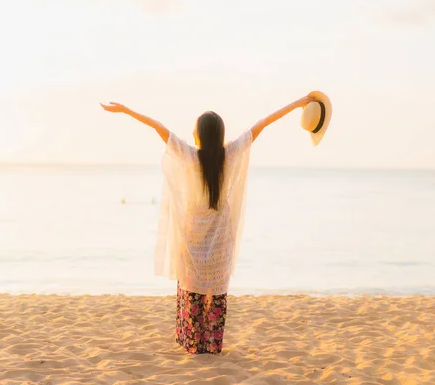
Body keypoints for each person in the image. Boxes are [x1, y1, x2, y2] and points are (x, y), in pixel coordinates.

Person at [100, 94, 314, 354]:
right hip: (220, 243)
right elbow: (263, 123)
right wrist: (299, 102)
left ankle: (193, 343)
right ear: (220, 135)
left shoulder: (190, 156)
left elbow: (158, 127)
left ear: (200, 135)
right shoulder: (231, 155)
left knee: (191, 294)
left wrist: (127, 110)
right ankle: (212, 344)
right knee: (215, 297)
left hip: (192, 240)